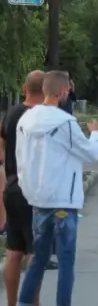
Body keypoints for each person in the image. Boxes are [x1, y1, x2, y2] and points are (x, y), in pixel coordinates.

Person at [15, 70, 98, 306]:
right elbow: (90, 152)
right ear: (61, 91)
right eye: (67, 91)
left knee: (38, 259)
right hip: (63, 202)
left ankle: (23, 302)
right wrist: (96, 134)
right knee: (66, 261)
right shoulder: (64, 123)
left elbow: (20, 159)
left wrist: (29, 190)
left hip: (38, 201)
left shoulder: (25, 120)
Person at [0, 71, 44, 306]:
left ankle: (11, 303)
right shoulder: (42, 117)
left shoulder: (11, 114)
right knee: (34, 252)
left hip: (12, 187)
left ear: (25, 89)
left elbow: (1, 150)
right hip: (34, 191)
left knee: (14, 249)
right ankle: (32, 303)